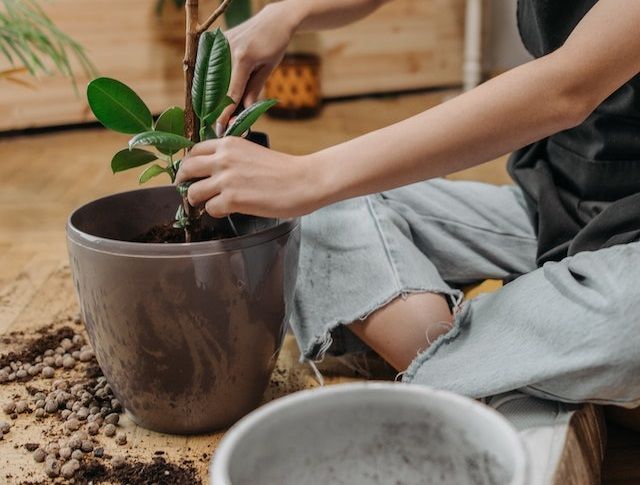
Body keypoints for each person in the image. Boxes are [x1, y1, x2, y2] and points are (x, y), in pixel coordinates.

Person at [176, 0, 640, 407]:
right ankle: (503, 369)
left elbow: (568, 89)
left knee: (625, 327)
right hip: (557, 203)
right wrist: (289, 12)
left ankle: (458, 368)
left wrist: (308, 175)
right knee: (317, 215)